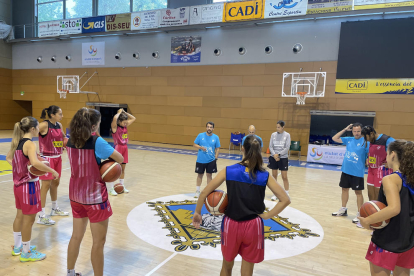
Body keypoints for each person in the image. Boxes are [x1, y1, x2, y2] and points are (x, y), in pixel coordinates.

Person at [192, 135, 290, 276]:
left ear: (242, 148)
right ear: (260, 150)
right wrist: (267, 215)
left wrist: (197, 213)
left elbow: (204, 193)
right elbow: (285, 199)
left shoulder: (228, 170)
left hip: (231, 224)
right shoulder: (264, 175)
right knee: (247, 269)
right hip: (252, 225)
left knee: (226, 266)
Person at [66, 108, 124, 276]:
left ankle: (70, 273)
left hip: (76, 196)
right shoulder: (97, 141)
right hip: (95, 198)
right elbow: (119, 158)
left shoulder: (69, 140)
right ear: (93, 126)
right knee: (98, 242)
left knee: (76, 236)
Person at [6, 116, 59, 262]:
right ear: (32, 128)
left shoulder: (17, 141)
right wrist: (51, 170)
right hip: (28, 186)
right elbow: (35, 162)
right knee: (29, 221)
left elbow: (8, 158)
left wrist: (20, 169)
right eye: (38, 127)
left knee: (19, 216)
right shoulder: (30, 144)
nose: (39, 129)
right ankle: (26, 252)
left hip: (18, 186)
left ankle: (17, 247)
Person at [359, 140, 414, 276]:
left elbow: (394, 209)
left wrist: (368, 220)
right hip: (408, 240)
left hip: (388, 239)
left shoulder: (391, 179)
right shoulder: (411, 178)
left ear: (393, 155)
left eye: (387, 153)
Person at [331, 123, 369, 228]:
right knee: (344, 189)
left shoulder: (366, 142)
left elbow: (369, 156)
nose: (356, 133)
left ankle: (359, 213)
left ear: (362, 131)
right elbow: (335, 138)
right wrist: (345, 129)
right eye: (354, 131)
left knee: (358, 193)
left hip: (357, 172)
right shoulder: (349, 139)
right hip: (346, 170)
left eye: (358, 131)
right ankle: (343, 209)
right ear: (352, 131)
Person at [37, 105, 68, 226]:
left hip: (58, 158)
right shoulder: (44, 125)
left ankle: (54, 208)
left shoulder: (59, 125)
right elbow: (30, 132)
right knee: (45, 186)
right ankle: (41, 215)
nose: (62, 116)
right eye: (60, 114)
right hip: (47, 159)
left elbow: (64, 138)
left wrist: (63, 144)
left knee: (56, 183)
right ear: (52, 115)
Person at [362, 126, 395, 201]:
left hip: (382, 170)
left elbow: (399, 152)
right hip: (371, 169)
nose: (367, 140)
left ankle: (381, 210)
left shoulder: (387, 140)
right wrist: (368, 158)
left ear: (372, 133)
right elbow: (372, 152)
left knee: (379, 193)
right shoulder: (370, 141)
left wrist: (391, 163)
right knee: (370, 192)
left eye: (367, 137)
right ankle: (373, 209)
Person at [108, 108, 135, 196]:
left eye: (126, 122)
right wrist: (119, 113)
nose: (126, 123)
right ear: (119, 121)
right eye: (124, 122)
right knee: (114, 169)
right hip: (118, 148)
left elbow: (133, 118)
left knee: (123, 169)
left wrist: (124, 112)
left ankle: (122, 186)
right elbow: (115, 119)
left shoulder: (125, 126)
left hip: (125, 148)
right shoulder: (115, 128)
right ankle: (111, 188)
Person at [193, 122, 221, 198]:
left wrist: (216, 157)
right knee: (200, 175)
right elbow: (194, 144)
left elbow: (217, 149)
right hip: (200, 160)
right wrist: (201, 147)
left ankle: (208, 191)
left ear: (213, 128)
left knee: (209, 175)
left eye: (211, 127)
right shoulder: (200, 135)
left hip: (211, 160)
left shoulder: (216, 137)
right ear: (206, 128)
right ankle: (197, 191)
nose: (209, 128)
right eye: (208, 127)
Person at [268, 120, 291, 201]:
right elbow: (270, 146)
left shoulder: (287, 135)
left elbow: (287, 147)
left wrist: (279, 155)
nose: (277, 129)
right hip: (274, 157)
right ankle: (275, 194)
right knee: (274, 177)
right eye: (276, 127)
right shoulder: (273, 135)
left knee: (284, 176)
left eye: (279, 127)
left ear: (283, 127)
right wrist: (274, 155)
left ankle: (286, 193)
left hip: (283, 158)